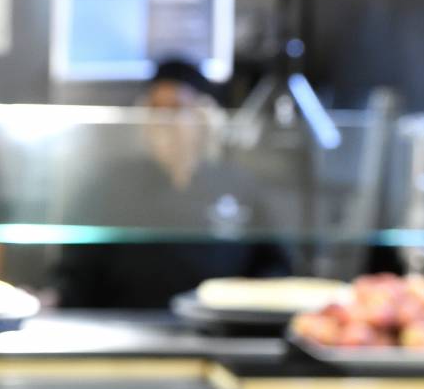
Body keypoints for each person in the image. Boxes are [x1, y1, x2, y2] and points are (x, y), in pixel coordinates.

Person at [52, 59, 290, 308]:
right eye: (156, 109)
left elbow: (273, 269)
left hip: (219, 332)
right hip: (130, 328)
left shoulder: (237, 185)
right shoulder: (109, 183)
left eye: (177, 108)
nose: (164, 121)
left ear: (202, 118)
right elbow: (75, 274)